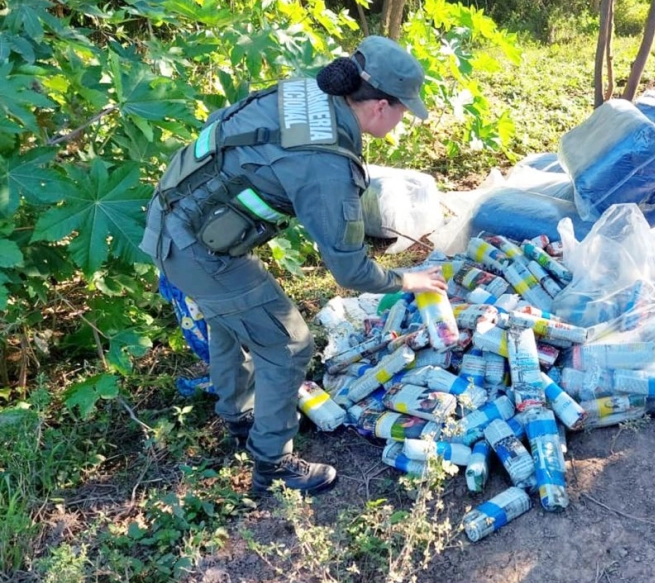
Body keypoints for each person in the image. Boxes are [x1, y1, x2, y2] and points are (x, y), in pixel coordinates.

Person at [139, 36, 448, 496]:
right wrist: (408, 279)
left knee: (233, 320)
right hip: (196, 247)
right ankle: (274, 467)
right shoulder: (327, 164)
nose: (404, 119)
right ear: (380, 106)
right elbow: (350, 271)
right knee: (289, 344)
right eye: (404, 110)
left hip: (175, 215)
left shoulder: (309, 93)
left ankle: (241, 415)